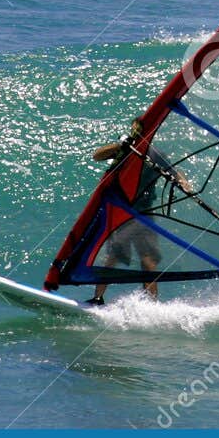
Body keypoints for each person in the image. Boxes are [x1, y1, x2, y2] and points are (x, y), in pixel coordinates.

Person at [87, 119, 194, 305]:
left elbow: (174, 171)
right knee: (112, 257)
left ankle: (152, 305)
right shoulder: (124, 148)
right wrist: (120, 146)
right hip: (121, 211)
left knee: (148, 260)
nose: (135, 133)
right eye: (133, 130)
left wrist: (184, 183)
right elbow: (96, 156)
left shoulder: (155, 154)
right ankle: (98, 298)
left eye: (139, 130)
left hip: (144, 212)